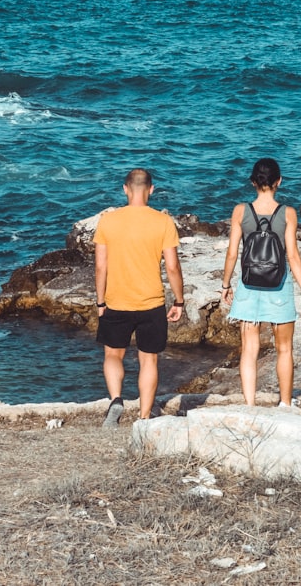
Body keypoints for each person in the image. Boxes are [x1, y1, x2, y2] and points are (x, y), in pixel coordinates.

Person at [94, 168, 185, 426]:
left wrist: (101, 301)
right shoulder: (163, 222)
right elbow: (172, 267)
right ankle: (144, 416)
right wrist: (178, 300)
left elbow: (101, 267)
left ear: (125, 189)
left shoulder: (108, 221)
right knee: (148, 359)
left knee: (113, 355)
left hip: (116, 300)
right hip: (151, 302)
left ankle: (115, 399)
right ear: (151, 189)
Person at [220, 158, 301, 407]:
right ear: (279, 181)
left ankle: (250, 405)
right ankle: (284, 404)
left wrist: (226, 285)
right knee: (284, 349)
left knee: (249, 349)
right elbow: (292, 255)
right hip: (279, 286)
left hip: (249, 287)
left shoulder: (241, 211)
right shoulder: (288, 213)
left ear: (253, 182)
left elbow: (232, 253)